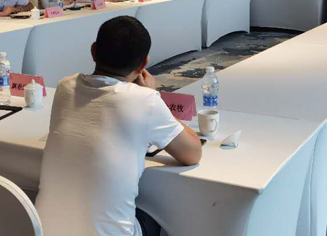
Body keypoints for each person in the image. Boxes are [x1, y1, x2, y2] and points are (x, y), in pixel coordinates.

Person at [35, 16, 202, 236]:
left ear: (93, 51)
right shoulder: (145, 100)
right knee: (164, 216)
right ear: (143, 64)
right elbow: (192, 153)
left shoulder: (65, 86)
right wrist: (152, 95)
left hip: (44, 230)